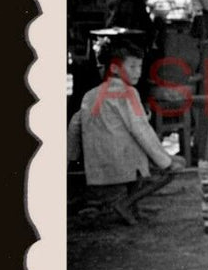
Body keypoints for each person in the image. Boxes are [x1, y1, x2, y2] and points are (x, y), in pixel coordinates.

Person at [67, 40, 186, 225]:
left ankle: (128, 207)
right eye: (132, 66)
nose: (137, 71)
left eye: (139, 66)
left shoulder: (90, 94)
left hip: (99, 166)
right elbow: (140, 129)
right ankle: (126, 204)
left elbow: (75, 124)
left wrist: (71, 158)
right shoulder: (127, 92)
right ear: (114, 68)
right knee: (175, 167)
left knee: (140, 158)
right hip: (123, 165)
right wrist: (165, 161)